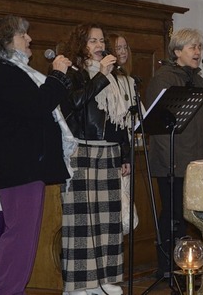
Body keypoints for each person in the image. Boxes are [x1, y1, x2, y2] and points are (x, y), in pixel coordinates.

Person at [0, 15, 74, 295]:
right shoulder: (2, 72)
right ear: (6, 41)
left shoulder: (12, 72)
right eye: (22, 35)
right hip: (19, 167)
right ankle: (6, 291)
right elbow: (37, 106)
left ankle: (12, 290)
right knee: (20, 236)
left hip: (24, 167)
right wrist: (58, 76)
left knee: (22, 235)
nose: (30, 40)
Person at [59, 23, 130, 295]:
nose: (99, 45)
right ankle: (78, 284)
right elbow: (73, 105)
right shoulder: (73, 74)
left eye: (101, 40)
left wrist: (124, 153)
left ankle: (104, 279)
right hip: (83, 150)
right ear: (81, 45)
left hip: (110, 150)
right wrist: (100, 76)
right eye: (92, 41)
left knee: (108, 220)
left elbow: (120, 120)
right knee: (82, 219)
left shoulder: (115, 77)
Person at [145, 28, 203, 279]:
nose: (197, 52)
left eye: (199, 47)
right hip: (171, 160)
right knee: (172, 215)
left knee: (187, 216)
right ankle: (167, 267)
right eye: (191, 47)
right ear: (177, 52)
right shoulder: (164, 79)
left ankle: (186, 264)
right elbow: (158, 126)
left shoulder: (200, 81)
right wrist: (171, 162)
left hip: (195, 159)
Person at [107, 32, 143, 234]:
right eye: (117, 47)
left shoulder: (129, 80)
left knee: (126, 200)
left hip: (128, 147)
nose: (122, 52)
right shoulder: (109, 80)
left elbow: (140, 117)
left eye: (125, 47)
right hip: (117, 149)